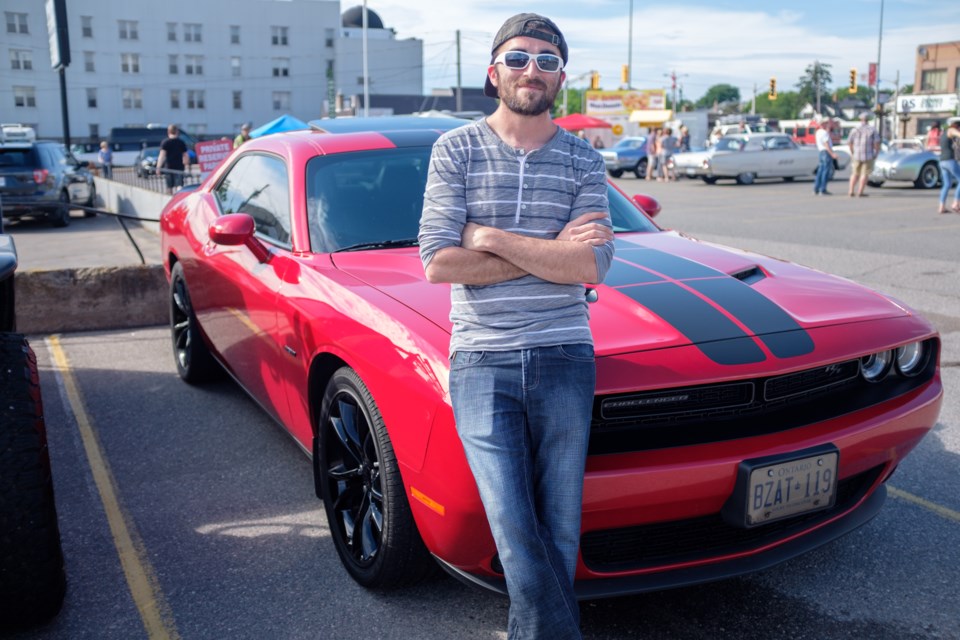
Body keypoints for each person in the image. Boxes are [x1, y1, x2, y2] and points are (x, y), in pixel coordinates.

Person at [418, 13, 614, 639]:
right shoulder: (456, 149)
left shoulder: (583, 159)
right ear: (493, 71)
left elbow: (593, 264)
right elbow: (438, 262)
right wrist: (548, 252)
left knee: (559, 525)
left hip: (564, 351)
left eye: (548, 61)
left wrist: (497, 239)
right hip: (483, 358)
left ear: (562, 77)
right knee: (513, 523)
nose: (533, 70)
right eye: (519, 57)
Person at [846, 113, 881, 198]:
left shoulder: (855, 129)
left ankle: (851, 190)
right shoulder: (872, 130)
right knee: (864, 174)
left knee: (854, 173)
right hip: (868, 154)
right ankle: (860, 191)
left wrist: (852, 152)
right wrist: (876, 153)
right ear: (867, 120)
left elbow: (850, 142)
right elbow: (876, 143)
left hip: (857, 154)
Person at [156, 124, 190, 194]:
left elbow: (161, 156)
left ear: (168, 132)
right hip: (179, 167)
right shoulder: (181, 142)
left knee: (169, 186)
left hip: (169, 167)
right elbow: (185, 155)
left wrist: (158, 167)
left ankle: (170, 200)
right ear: (177, 132)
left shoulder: (165, 142)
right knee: (179, 185)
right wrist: (187, 166)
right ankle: (178, 198)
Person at [937, 118, 960, 214]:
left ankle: (941, 207)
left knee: (946, 184)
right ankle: (956, 203)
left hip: (942, 161)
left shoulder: (943, 133)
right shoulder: (951, 130)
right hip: (950, 160)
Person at [813, 119, 838, 195]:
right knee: (825, 171)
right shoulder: (824, 133)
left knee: (820, 171)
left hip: (821, 152)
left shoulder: (818, 132)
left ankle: (816, 188)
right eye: (826, 123)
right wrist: (832, 154)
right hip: (825, 152)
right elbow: (826, 144)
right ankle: (822, 189)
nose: (827, 124)